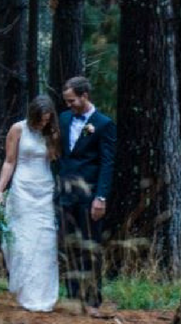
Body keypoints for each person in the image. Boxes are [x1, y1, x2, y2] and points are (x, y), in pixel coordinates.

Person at [0, 95, 62, 312]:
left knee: (45, 241)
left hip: (44, 188)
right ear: (32, 115)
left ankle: (44, 295)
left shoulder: (50, 131)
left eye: (47, 119)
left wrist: (52, 137)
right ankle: (26, 292)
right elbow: (9, 161)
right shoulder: (18, 129)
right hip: (23, 188)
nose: (43, 123)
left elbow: (54, 159)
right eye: (40, 119)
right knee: (23, 239)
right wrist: (0, 190)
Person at [56, 76, 116, 314]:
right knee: (68, 246)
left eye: (72, 100)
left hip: (89, 195)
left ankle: (92, 301)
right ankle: (73, 297)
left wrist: (101, 197)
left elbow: (107, 163)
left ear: (84, 96)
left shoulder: (104, 124)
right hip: (65, 194)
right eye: (66, 101)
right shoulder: (63, 118)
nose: (69, 105)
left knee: (90, 247)